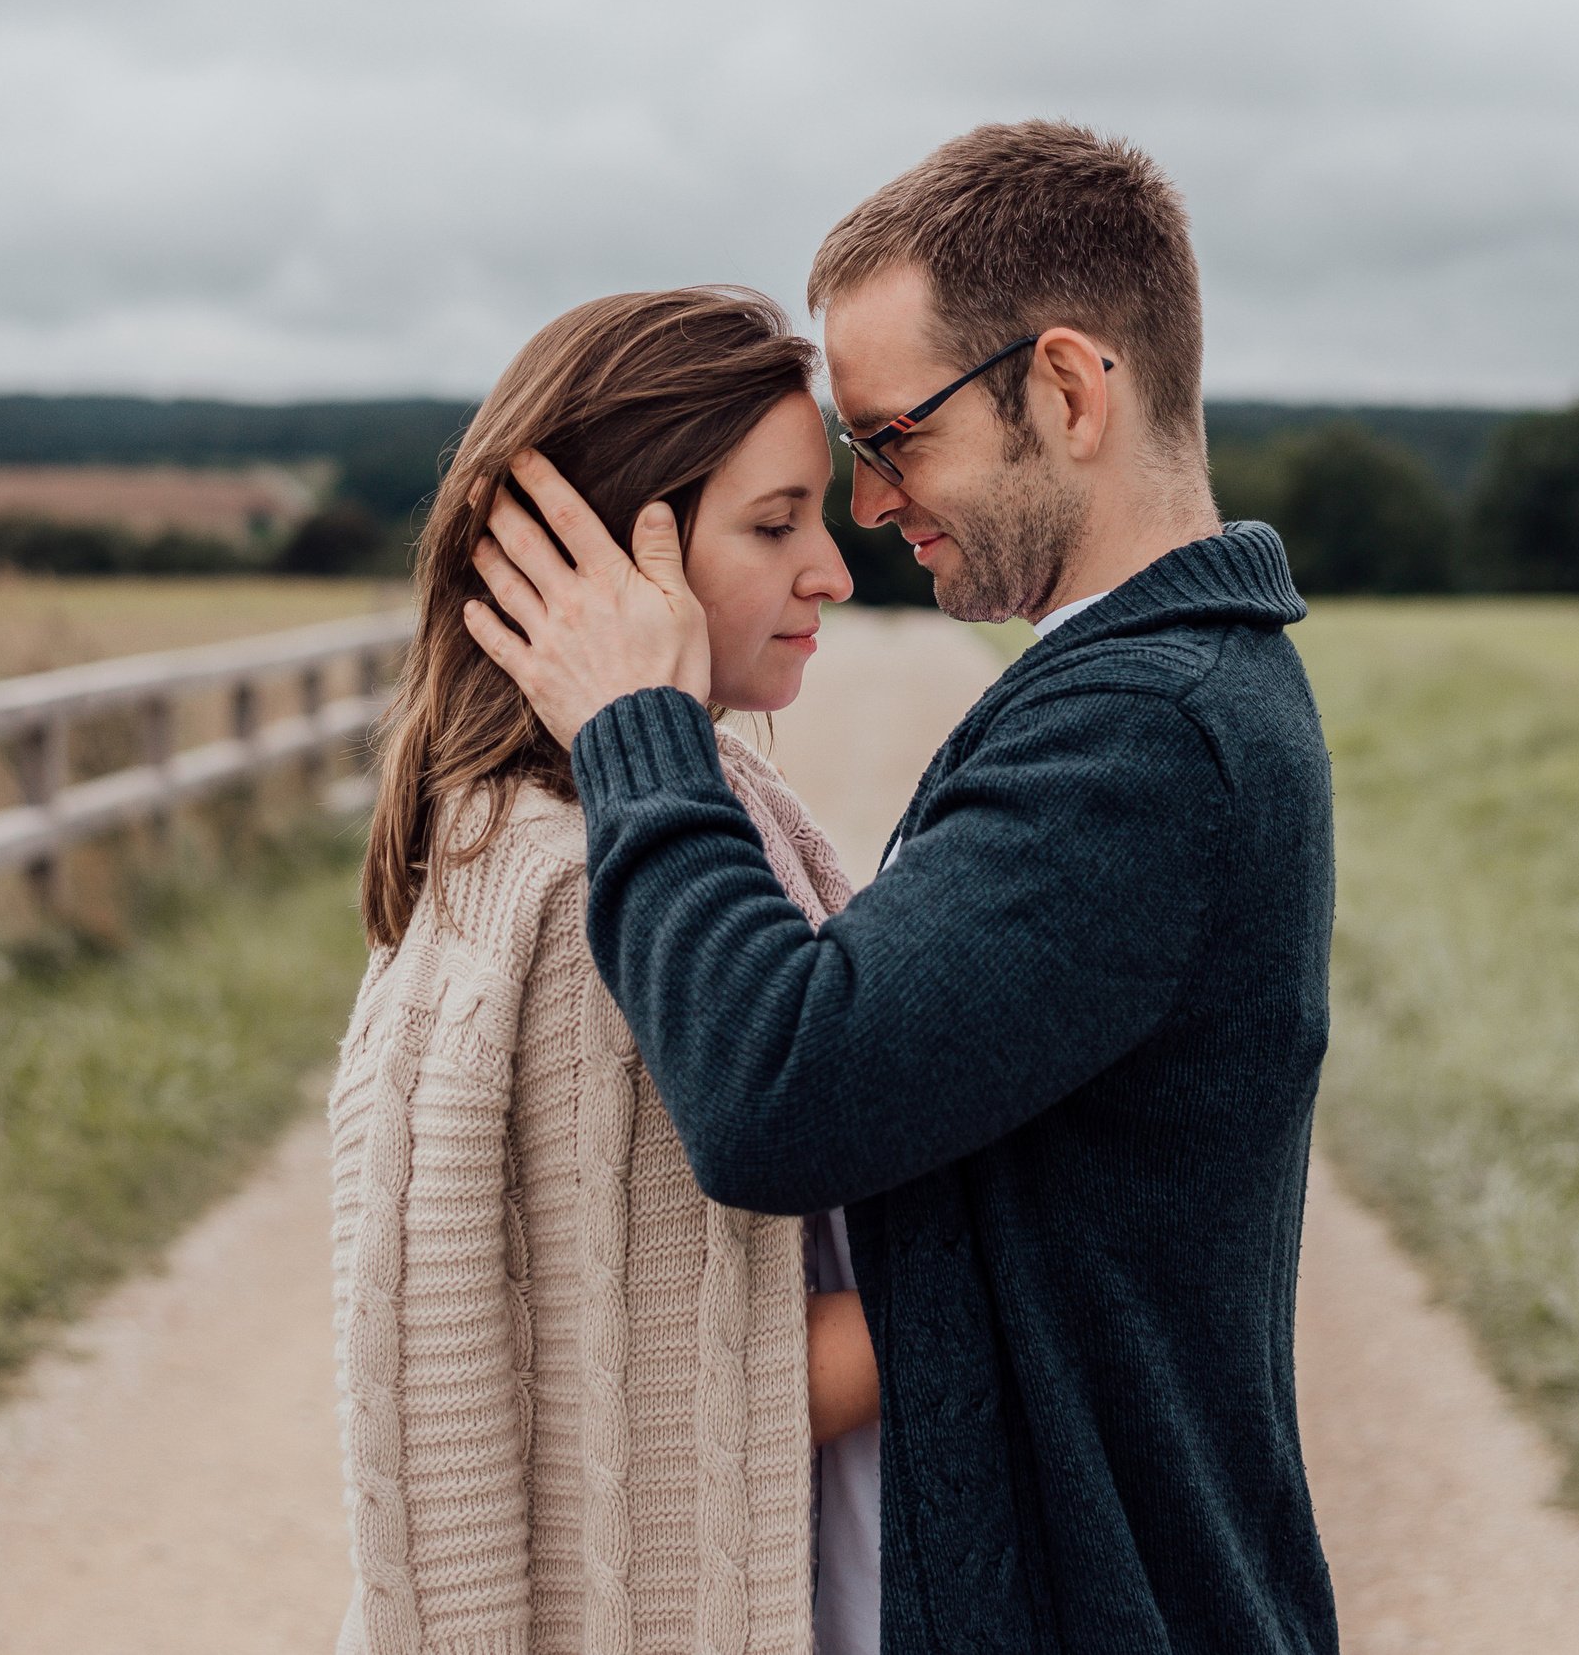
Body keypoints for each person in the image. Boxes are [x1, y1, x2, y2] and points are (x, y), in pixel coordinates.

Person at [463, 122, 1341, 1653]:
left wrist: (636, 738)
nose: (872, 510)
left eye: (895, 436)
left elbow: (780, 1090)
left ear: (1067, 390)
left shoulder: (1148, 734)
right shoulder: (1148, 695)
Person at [329, 286, 881, 1655]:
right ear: (618, 553)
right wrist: (1048, 1262)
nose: (834, 568)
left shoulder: (656, 822)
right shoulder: (593, 891)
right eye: (775, 523)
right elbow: (680, 1390)